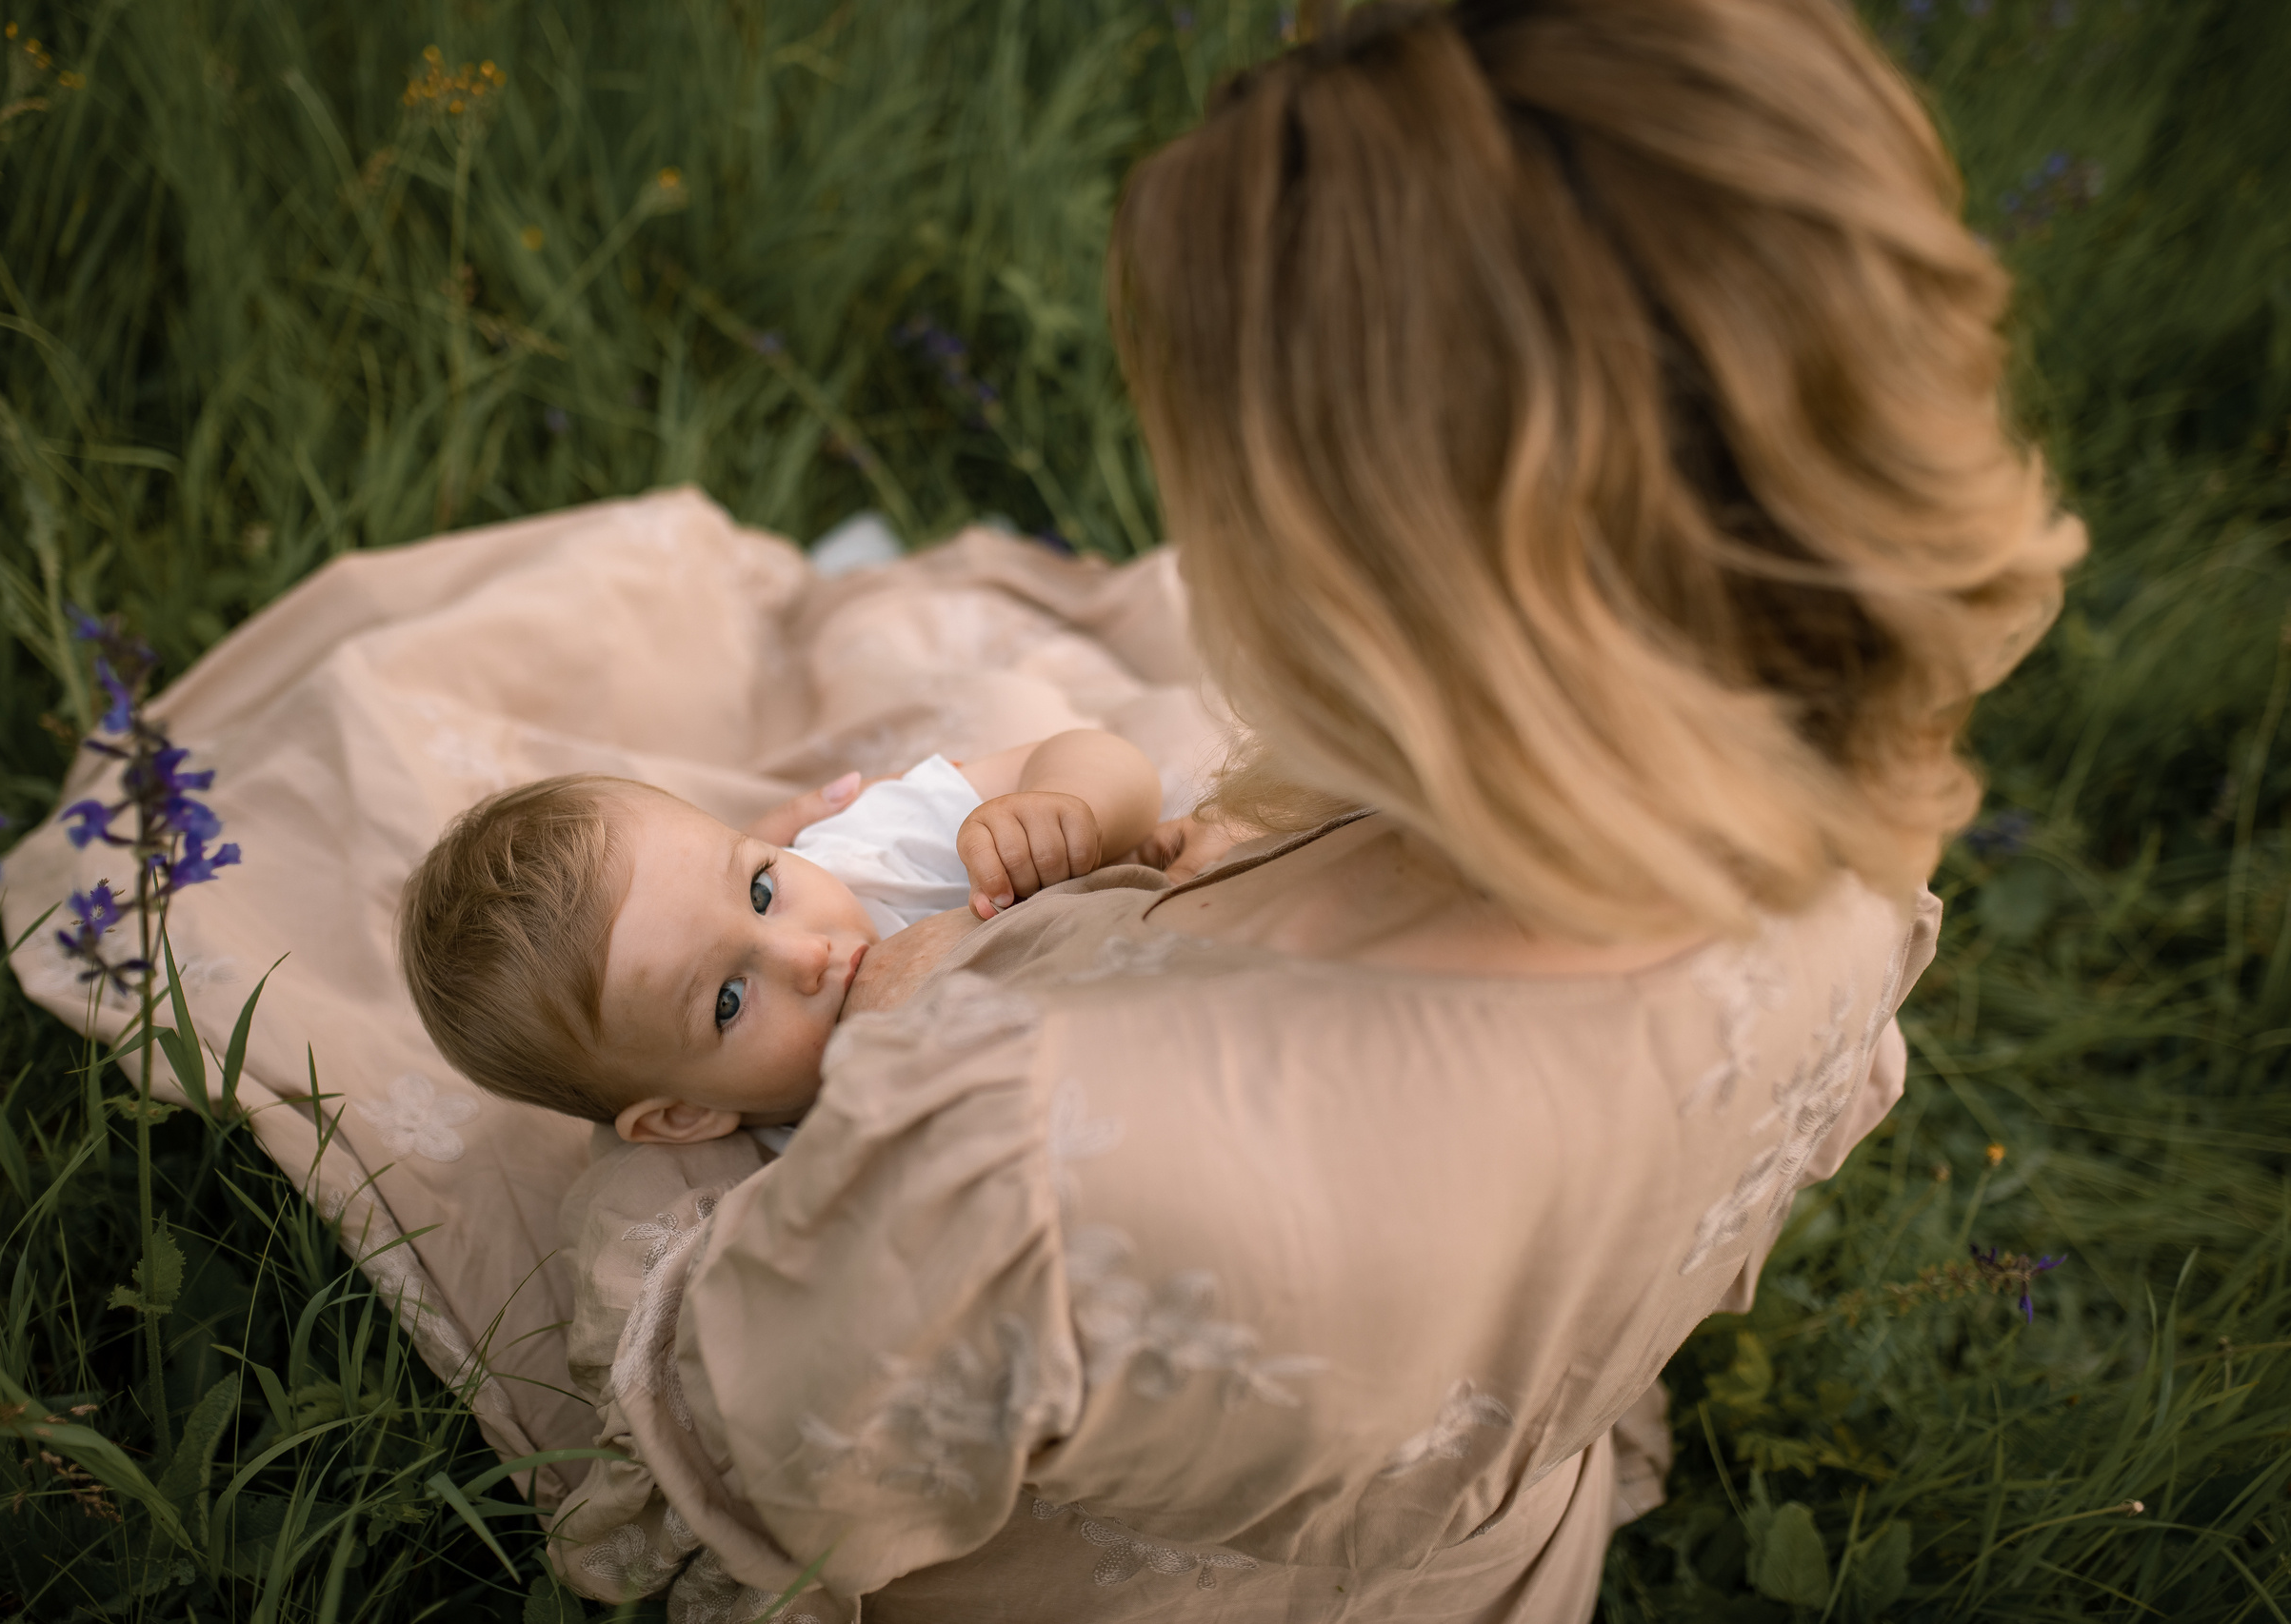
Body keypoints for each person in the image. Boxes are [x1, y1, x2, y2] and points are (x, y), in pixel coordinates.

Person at [547, 2, 2085, 1619]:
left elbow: (761, 1471)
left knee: (593, 1120)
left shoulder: (1013, 1152)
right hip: (1468, 1549)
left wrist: (899, 1058)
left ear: (1375, 577)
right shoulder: (1836, 852)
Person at [395, 729, 1163, 1147]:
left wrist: (1064, 807)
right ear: (682, 1116)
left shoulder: (874, 856)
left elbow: (1097, 752)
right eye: (729, 1001)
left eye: (762, 889)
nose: (807, 955)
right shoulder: (783, 1178)